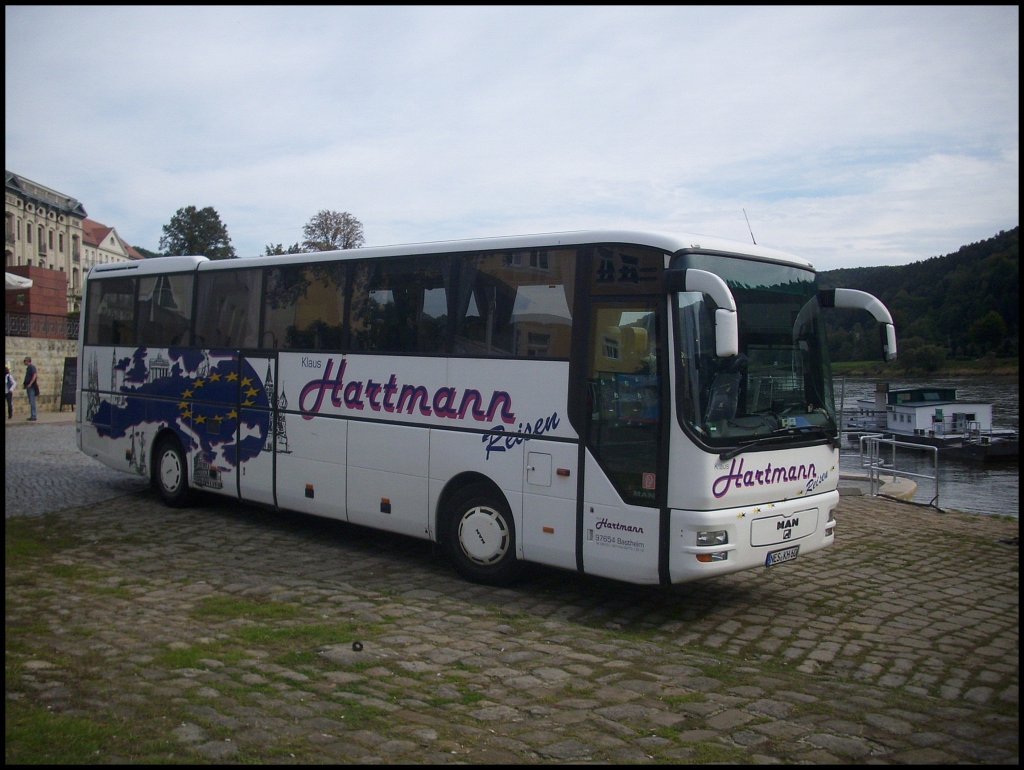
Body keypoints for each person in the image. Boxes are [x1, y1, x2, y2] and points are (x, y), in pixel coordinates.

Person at [22, 356, 39, 421]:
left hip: (31, 387)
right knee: (31, 401)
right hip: (29, 386)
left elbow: (34, 375)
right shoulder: (29, 368)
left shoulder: (31, 367)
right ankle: (32, 415)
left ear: (28, 361)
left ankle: (34, 416)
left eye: (25, 361)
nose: (24, 362)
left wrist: (30, 384)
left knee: (32, 401)